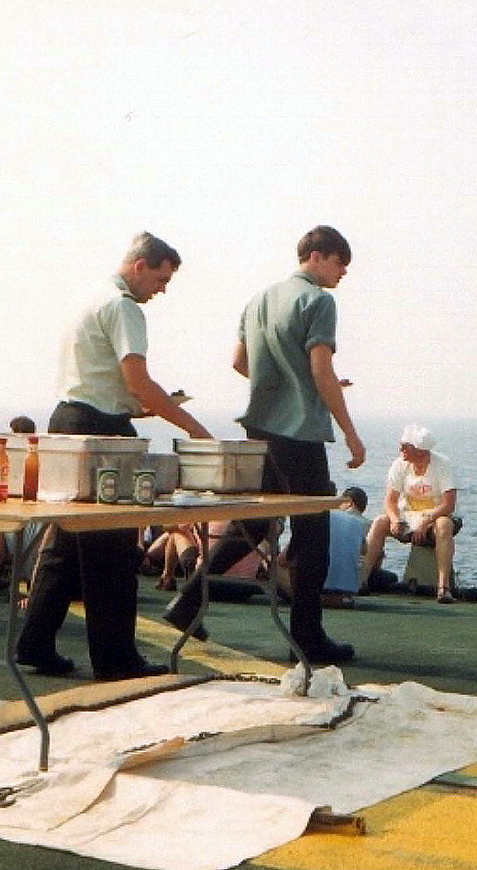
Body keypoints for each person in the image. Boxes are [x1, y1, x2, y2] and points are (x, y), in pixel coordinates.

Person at [16, 231, 212, 681]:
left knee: (65, 545)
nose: (161, 290)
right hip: (101, 433)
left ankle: (35, 644)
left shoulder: (87, 299)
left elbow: (109, 384)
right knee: (112, 550)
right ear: (140, 266)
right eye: (161, 279)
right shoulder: (124, 307)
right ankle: (115, 659)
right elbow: (138, 381)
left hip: (67, 421)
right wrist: (194, 429)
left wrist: (133, 406)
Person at [164, 225, 364, 663]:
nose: (342, 274)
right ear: (318, 256)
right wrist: (349, 432)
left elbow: (239, 362)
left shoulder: (258, 300)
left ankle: (188, 600)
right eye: (339, 263)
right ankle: (306, 639)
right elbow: (320, 370)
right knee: (313, 533)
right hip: (300, 434)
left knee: (254, 525)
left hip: (261, 430)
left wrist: (283, 384)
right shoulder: (319, 301)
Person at [362, 424, 462, 603]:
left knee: (444, 525)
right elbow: (390, 500)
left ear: (421, 451)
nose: (401, 449)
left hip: (435, 517)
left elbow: (448, 504)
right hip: (408, 516)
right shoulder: (400, 464)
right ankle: (361, 580)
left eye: (405, 446)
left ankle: (443, 588)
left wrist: (425, 522)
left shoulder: (442, 464)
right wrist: (394, 520)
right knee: (379, 522)